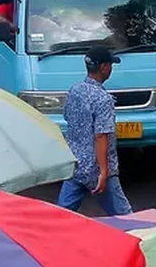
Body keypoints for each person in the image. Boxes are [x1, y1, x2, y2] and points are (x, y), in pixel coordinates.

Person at [57, 46, 133, 214]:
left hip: (76, 165)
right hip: (96, 168)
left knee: (62, 215)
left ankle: (46, 238)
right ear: (104, 67)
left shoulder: (74, 90)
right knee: (125, 217)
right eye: (110, 65)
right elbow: (101, 136)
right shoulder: (103, 99)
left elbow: (68, 118)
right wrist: (104, 171)